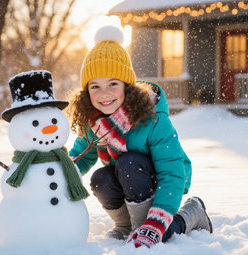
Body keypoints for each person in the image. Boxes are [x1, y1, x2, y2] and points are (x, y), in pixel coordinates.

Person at [67, 25, 212, 248]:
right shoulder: (94, 123)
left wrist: (155, 223)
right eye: (95, 86)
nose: (104, 94)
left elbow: (172, 172)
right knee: (101, 178)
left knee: (130, 165)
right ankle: (129, 226)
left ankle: (192, 212)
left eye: (113, 84)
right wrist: (51, 173)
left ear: (127, 87)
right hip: (129, 182)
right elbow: (79, 158)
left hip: (165, 181)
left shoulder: (152, 119)